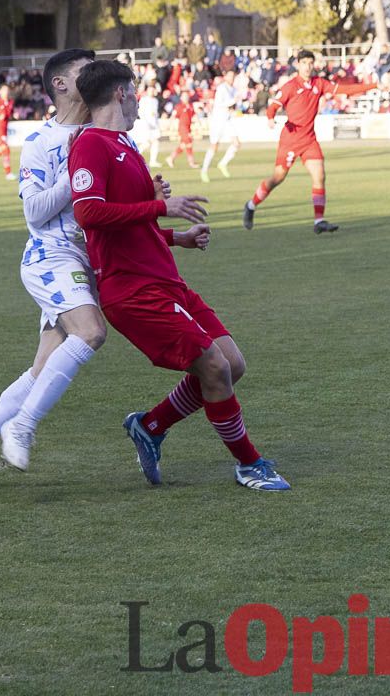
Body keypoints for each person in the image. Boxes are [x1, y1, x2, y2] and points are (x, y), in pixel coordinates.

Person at [68, 59, 290, 491]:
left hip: (164, 279)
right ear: (120, 93)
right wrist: (159, 207)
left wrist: (175, 237)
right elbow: (88, 212)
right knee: (214, 367)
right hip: (132, 290)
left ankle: (150, 426)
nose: (137, 99)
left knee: (232, 365)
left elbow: (129, 223)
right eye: (133, 90)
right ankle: (249, 464)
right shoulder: (91, 145)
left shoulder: (124, 145)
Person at [0, 49, 108, 494]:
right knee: (91, 332)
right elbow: (36, 212)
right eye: (82, 71)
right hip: (51, 255)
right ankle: (21, 428)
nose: (93, 76)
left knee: (39, 373)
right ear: (60, 84)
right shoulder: (42, 142)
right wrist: (72, 171)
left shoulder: (102, 131)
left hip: (87, 259)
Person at [243, 50, 377, 234]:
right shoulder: (290, 86)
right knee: (277, 178)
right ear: (297, 65)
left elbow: (344, 90)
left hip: (309, 140)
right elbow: (273, 105)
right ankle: (251, 205)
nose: (307, 66)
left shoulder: (319, 84)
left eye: (310, 62)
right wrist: (270, 117)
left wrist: (373, 85)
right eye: (304, 62)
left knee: (319, 175)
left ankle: (319, 221)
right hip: (290, 140)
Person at [200, 70, 241, 182]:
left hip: (227, 119)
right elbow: (219, 103)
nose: (232, 78)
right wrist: (233, 101)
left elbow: (232, 105)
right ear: (225, 77)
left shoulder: (233, 89)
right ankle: (204, 170)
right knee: (214, 146)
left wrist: (235, 106)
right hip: (218, 119)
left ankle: (222, 164)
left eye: (233, 76)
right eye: (230, 76)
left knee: (236, 143)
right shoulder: (222, 88)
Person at [131, 84, 163, 168]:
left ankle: (153, 161)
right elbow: (141, 112)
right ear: (147, 91)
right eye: (150, 90)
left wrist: (157, 124)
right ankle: (135, 156)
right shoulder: (144, 100)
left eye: (153, 90)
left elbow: (155, 113)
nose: (152, 92)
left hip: (154, 124)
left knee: (155, 142)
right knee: (147, 143)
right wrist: (145, 122)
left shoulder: (155, 100)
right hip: (146, 124)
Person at [166, 90, 197, 168]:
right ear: (181, 98)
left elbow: (193, 116)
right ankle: (191, 162)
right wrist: (169, 125)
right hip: (183, 128)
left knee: (183, 145)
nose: (186, 98)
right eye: (184, 96)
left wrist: (197, 123)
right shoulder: (179, 106)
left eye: (187, 96)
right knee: (189, 143)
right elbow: (173, 116)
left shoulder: (190, 106)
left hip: (188, 128)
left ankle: (170, 158)